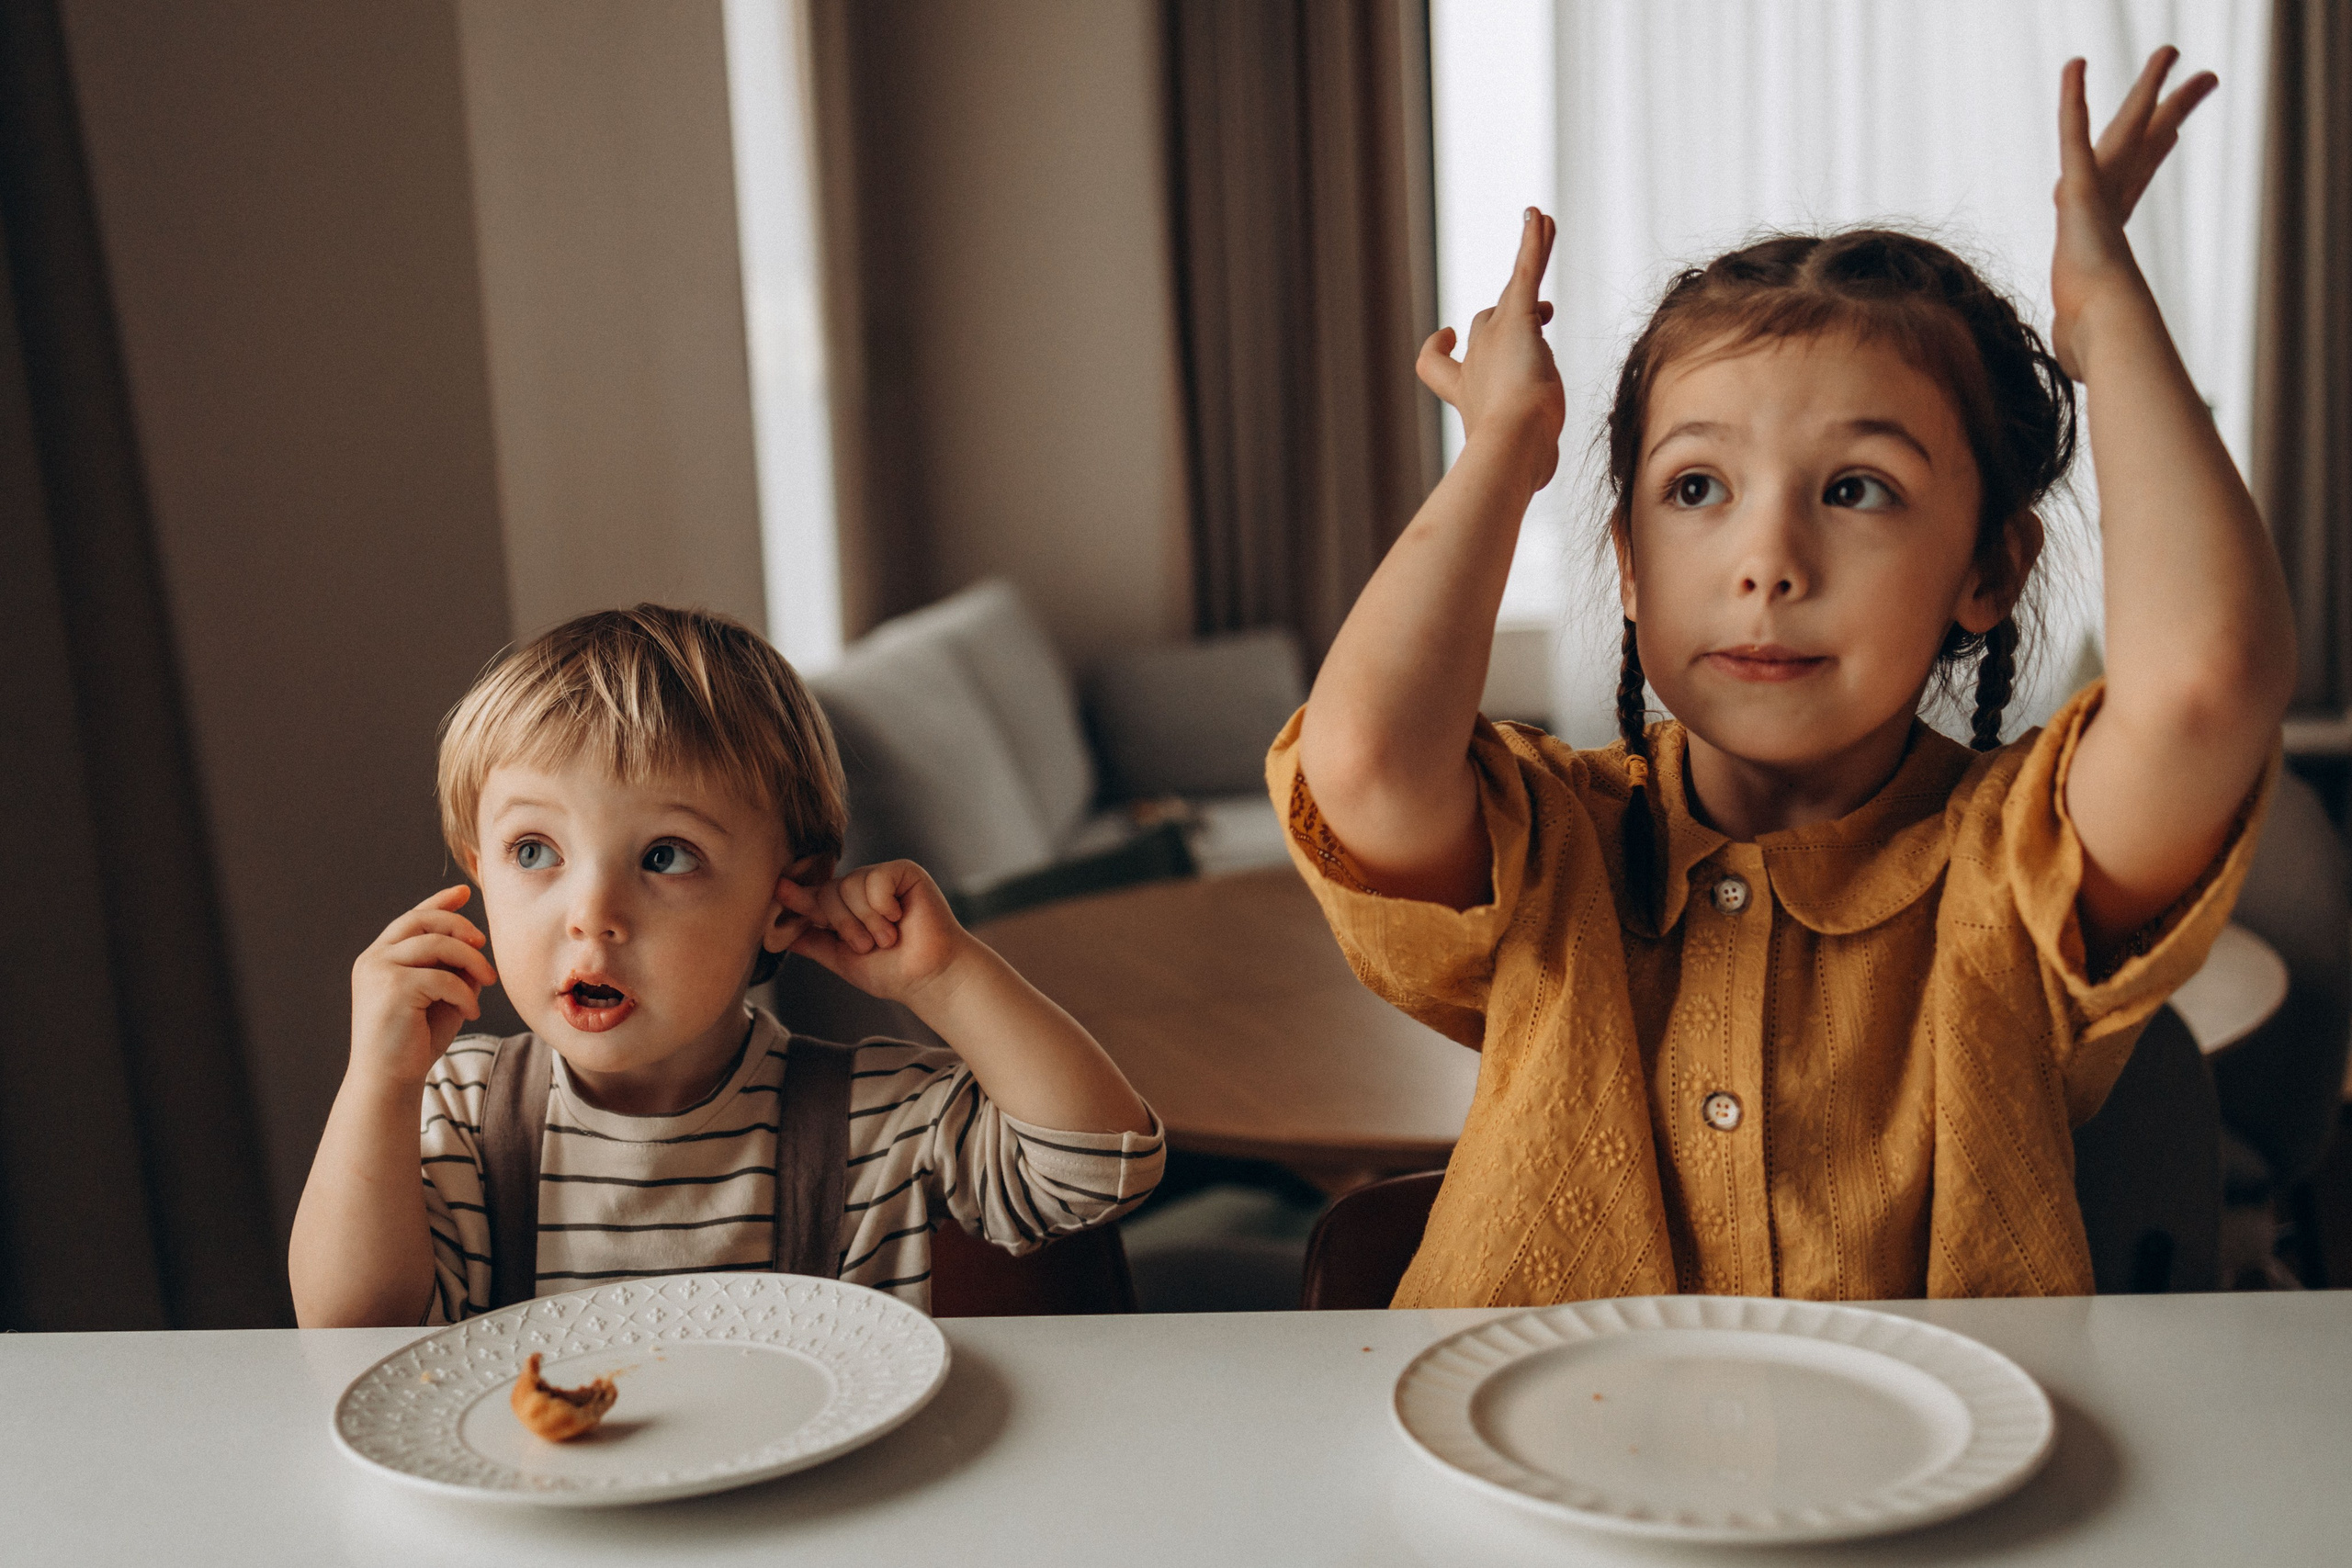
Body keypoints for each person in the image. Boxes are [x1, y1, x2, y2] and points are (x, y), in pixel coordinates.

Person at [1273, 51, 2292, 1305]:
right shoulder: (1554, 850)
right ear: (1631, 569)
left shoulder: (2017, 869)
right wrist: (1501, 451)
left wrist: (2108, 318)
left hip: (1921, 1497)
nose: (1766, 561)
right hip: (1528, 1480)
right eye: (1695, 489)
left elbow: (2207, 681)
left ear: (1989, 570)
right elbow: (1363, 754)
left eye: (1857, 488)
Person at [290, 605, 1163, 1326]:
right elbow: (350, 1327)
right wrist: (377, 1078)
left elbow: (1101, 1170)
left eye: (666, 856)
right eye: (533, 850)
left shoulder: (874, 1120)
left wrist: (947, 978)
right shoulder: (460, 1109)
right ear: (479, 876)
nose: (591, 912)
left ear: (785, 902)